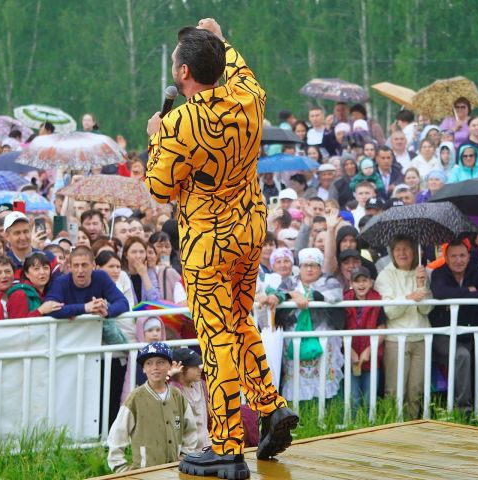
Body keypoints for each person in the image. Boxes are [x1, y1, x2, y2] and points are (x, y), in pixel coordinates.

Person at [145, 19, 294, 474]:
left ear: (184, 72)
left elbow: (159, 188)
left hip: (208, 240)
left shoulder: (181, 122)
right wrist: (221, 37)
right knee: (239, 320)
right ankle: (271, 406)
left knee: (216, 336)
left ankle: (227, 445)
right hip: (249, 228)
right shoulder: (249, 95)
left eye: (175, 63)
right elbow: (238, 64)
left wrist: (156, 137)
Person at [429, 238, 478, 410]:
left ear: (469, 257)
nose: (458, 260)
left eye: (462, 255)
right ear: (446, 258)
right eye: (453, 256)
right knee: (462, 355)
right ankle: (464, 408)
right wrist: (467, 291)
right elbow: (440, 292)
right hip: (444, 335)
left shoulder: (474, 270)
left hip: (468, 333)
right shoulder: (439, 273)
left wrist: (459, 297)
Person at [262, 248, 344, 403]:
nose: (309, 269)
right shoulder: (290, 282)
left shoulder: (329, 281)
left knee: (323, 379)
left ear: (320, 267)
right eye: (305, 265)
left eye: (314, 265)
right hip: (294, 340)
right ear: (299, 268)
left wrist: (309, 296)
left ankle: (324, 412)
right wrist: (291, 296)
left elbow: (335, 295)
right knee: (296, 380)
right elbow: (279, 294)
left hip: (323, 338)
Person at [107, 342, 198, 473]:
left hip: (175, 472)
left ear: (170, 365)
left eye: (160, 362)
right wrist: (121, 469)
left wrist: (185, 457)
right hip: (145, 473)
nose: (155, 367)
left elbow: (190, 430)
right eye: (149, 363)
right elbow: (117, 435)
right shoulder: (135, 398)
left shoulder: (177, 396)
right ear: (143, 368)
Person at [374, 235, 432, 419]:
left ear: (414, 251)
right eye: (397, 249)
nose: (402, 253)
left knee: (416, 389)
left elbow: (426, 309)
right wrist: (409, 297)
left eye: (407, 248)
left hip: (421, 337)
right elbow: (390, 311)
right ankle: (392, 425)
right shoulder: (385, 275)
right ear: (391, 252)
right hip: (396, 339)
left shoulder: (421, 272)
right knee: (394, 388)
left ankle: (412, 426)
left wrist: (422, 286)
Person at [343, 266, 385, 412]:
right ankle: (352, 429)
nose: (361, 284)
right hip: (351, 358)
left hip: (372, 358)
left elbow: (382, 328)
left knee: (369, 398)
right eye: (357, 281)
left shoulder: (378, 299)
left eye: (364, 280)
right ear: (351, 283)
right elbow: (341, 330)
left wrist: (369, 351)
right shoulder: (344, 299)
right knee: (353, 398)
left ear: (371, 282)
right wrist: (351, 352)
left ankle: (370, 427)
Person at [168, 348, 211, 450]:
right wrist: (170, 374)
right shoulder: (171, 391)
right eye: (195, 366)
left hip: (207, 449)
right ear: (182, 368)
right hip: (186, 454)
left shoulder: (202, 385)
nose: (200, 368)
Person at [6, 252, 63, 319]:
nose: (42, 272)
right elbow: (16, 326)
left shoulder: (50, 293)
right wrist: (40, 311)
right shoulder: (19, 294)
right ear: (27, 273)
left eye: (46, 268)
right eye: (36, 269)